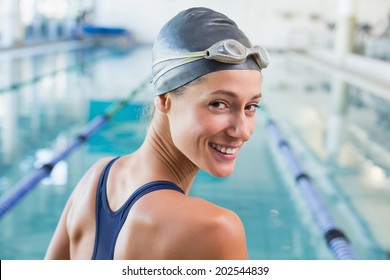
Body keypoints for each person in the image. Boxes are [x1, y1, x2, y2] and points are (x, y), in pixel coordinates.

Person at [45, 7, 269, 260]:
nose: (243, 131)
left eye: (251, 107)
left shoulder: (95, 179)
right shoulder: (216, 228)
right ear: (164, 99)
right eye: (218, 104)